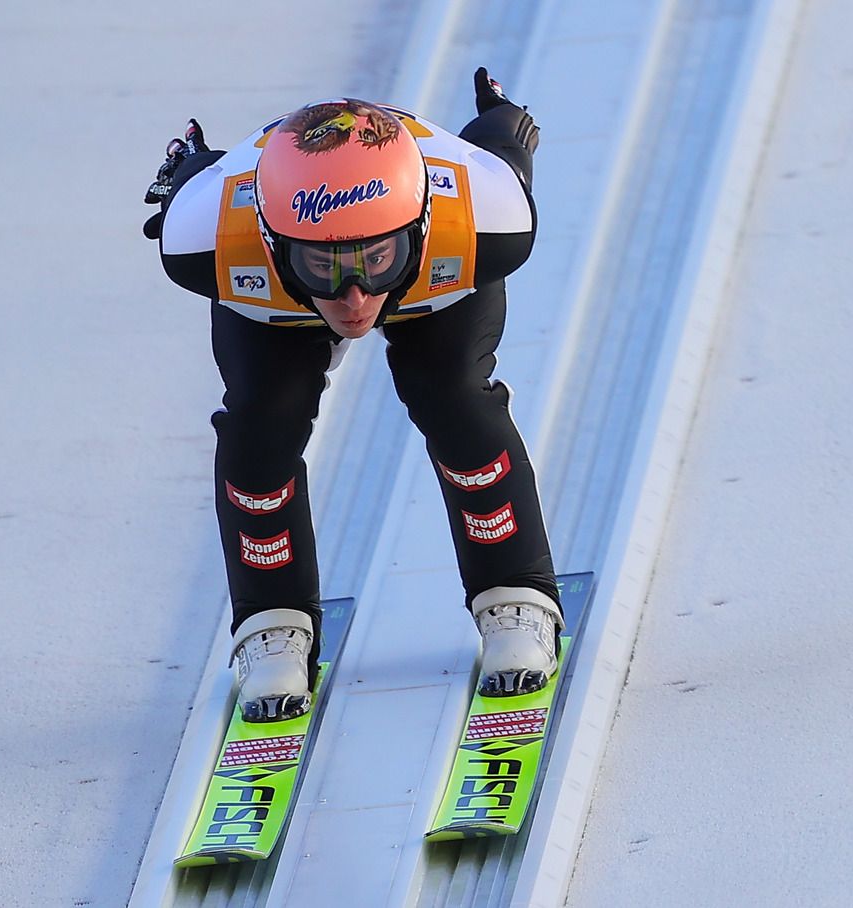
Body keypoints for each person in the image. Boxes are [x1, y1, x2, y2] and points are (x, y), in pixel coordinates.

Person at [142, 69, 562, 722]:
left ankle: (517, 593)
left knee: (454, 398)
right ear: (271, 240)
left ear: (423, 222)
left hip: (399, 288)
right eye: (323, 266)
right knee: (260, 423)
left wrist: (503, 120)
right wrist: (188, 166)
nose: (354, 298)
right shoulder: (207, 235)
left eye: (376, 260)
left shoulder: (485, 215)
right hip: (308, 295)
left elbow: (502, 150)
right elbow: (195, 184)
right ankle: (270, 619)